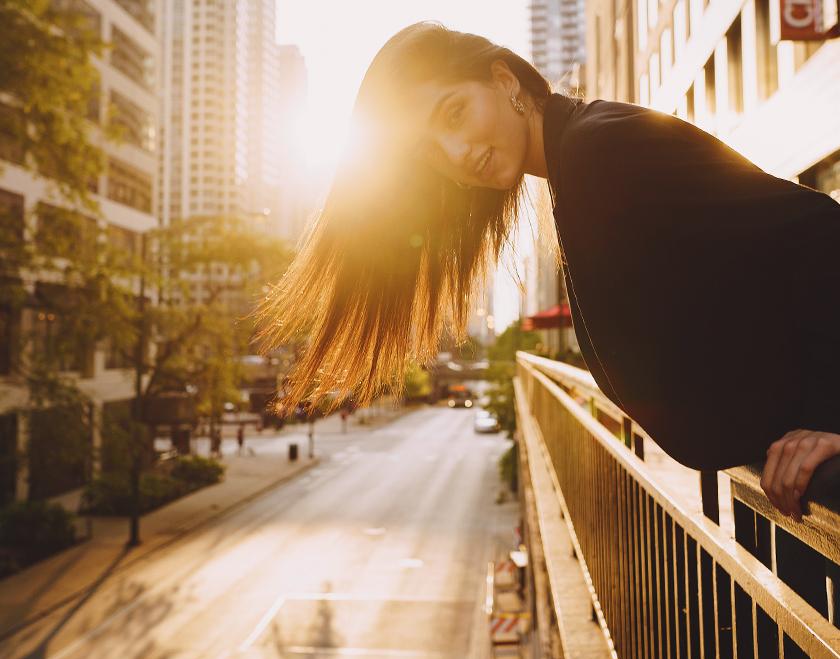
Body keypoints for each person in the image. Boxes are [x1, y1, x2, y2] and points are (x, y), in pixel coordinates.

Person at [256, 22, 840, 521]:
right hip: (793, 469)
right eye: (432, 153)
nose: (456, 154)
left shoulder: (596, 152)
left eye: (454, 113)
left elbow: (822, 236)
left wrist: (829, 422)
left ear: (504, 80)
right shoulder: (577, 161)